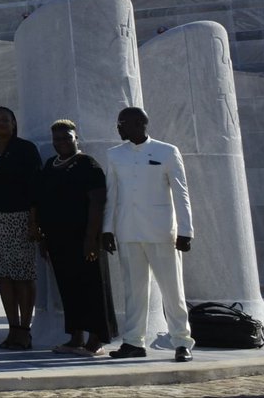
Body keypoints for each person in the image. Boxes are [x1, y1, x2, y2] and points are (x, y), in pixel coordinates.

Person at [102, 106, 195, 362]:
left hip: (162, 231)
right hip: (127, 230)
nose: (119, 128)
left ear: (140, 124)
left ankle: (181, 342)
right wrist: (107, 228)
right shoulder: (114, 155)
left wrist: (186, 230)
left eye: (122, 123)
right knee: (134, 290)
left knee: (172, 290)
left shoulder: (167, 151)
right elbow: (112, 194)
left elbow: (181, 192)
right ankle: (133, 341)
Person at [37, 119, 116, 356]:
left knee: (92, 287)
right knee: (68, 288)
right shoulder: (51, 164)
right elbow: (43, 202)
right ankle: (75, 337)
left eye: (66, 137)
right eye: (57, 139)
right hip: (58, 239)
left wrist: (91, 239)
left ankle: (96, 340)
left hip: (85, 239)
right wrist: (43, 237)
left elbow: (97, 203)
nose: (61, 142)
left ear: (76, 138)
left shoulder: (88, 165)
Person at [0, 106, 41, 350]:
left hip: (20, 217)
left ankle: (25, 329)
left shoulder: (25, 149)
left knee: (23, 274)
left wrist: (34, 221)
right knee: (5, 275)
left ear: (14, 123)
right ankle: (12, 328)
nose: (0, 123)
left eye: (5, 119)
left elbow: (34, 186)